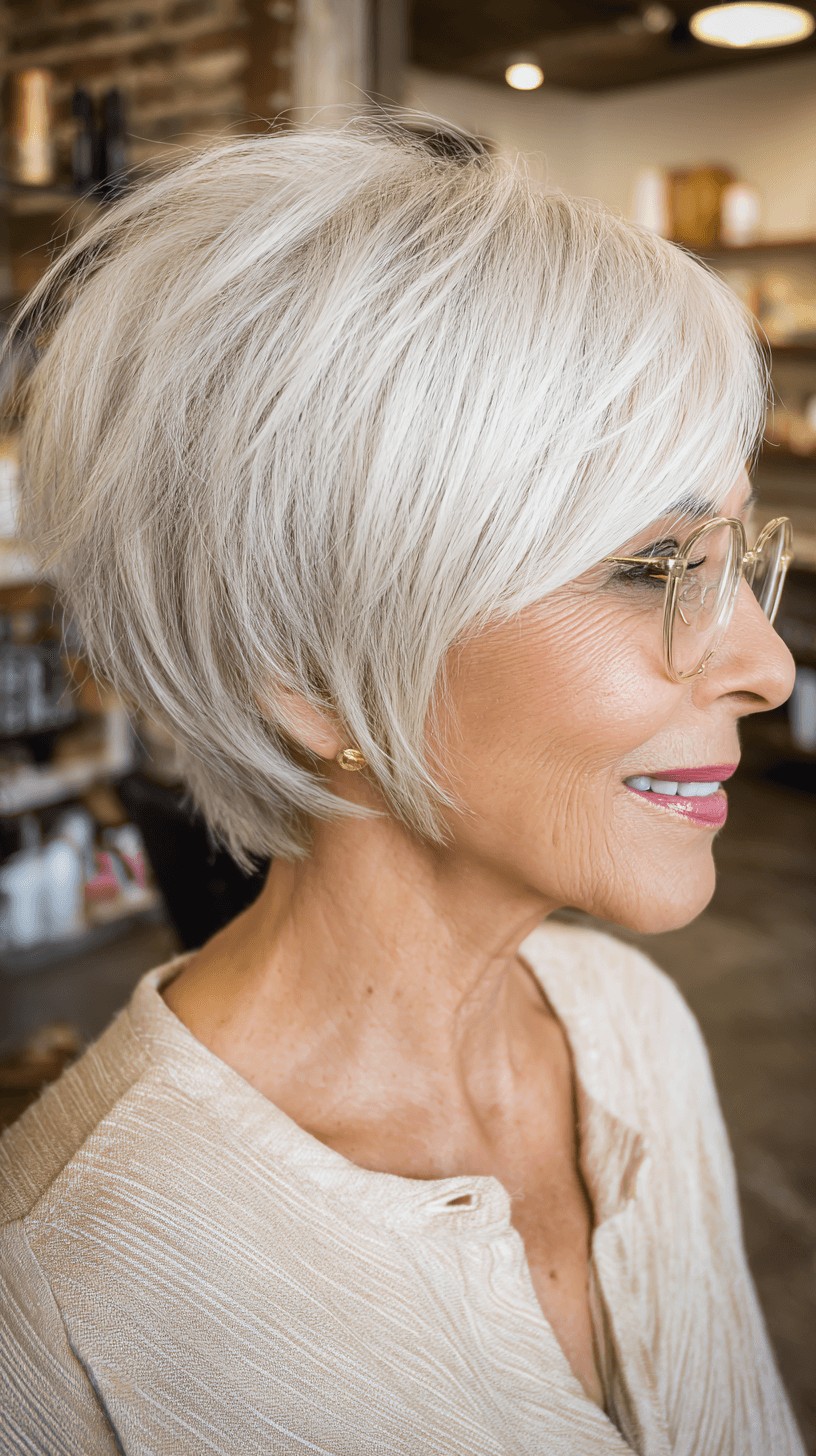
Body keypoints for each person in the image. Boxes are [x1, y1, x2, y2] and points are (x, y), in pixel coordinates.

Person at [0, 111, 805, 1456]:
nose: (766, 664)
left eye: (740, 557)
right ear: (307, 667)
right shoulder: (64, 1297)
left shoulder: (635, 1032)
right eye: (653, 566)